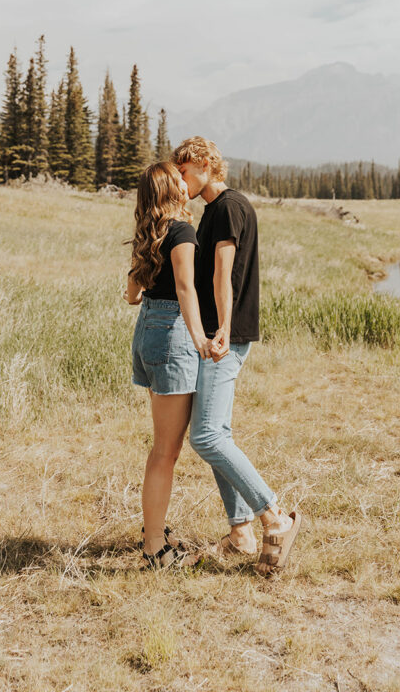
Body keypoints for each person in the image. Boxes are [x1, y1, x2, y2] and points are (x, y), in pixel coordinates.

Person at [172, 136, 302, 576]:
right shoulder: (218, 209)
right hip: (220, 335)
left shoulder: (227, 207)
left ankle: (274, 518)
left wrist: (222, 328)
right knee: (217, 434)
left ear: (206, 164)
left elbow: (223, 274)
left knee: (206, 437)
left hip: (224, 336)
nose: (179, 178)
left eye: (184, 171)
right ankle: (240, 533)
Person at [124, 161, 213, 570]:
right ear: (170, 189)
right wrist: (199, 339)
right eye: (177, 176)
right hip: (172, 334)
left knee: (163, 447)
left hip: (147, 331)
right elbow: (185, 288)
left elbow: (130, 294)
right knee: (165, 451)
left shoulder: (149, 232)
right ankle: (155, 549)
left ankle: (153, 530)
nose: (184, 178)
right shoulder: (181, 231)